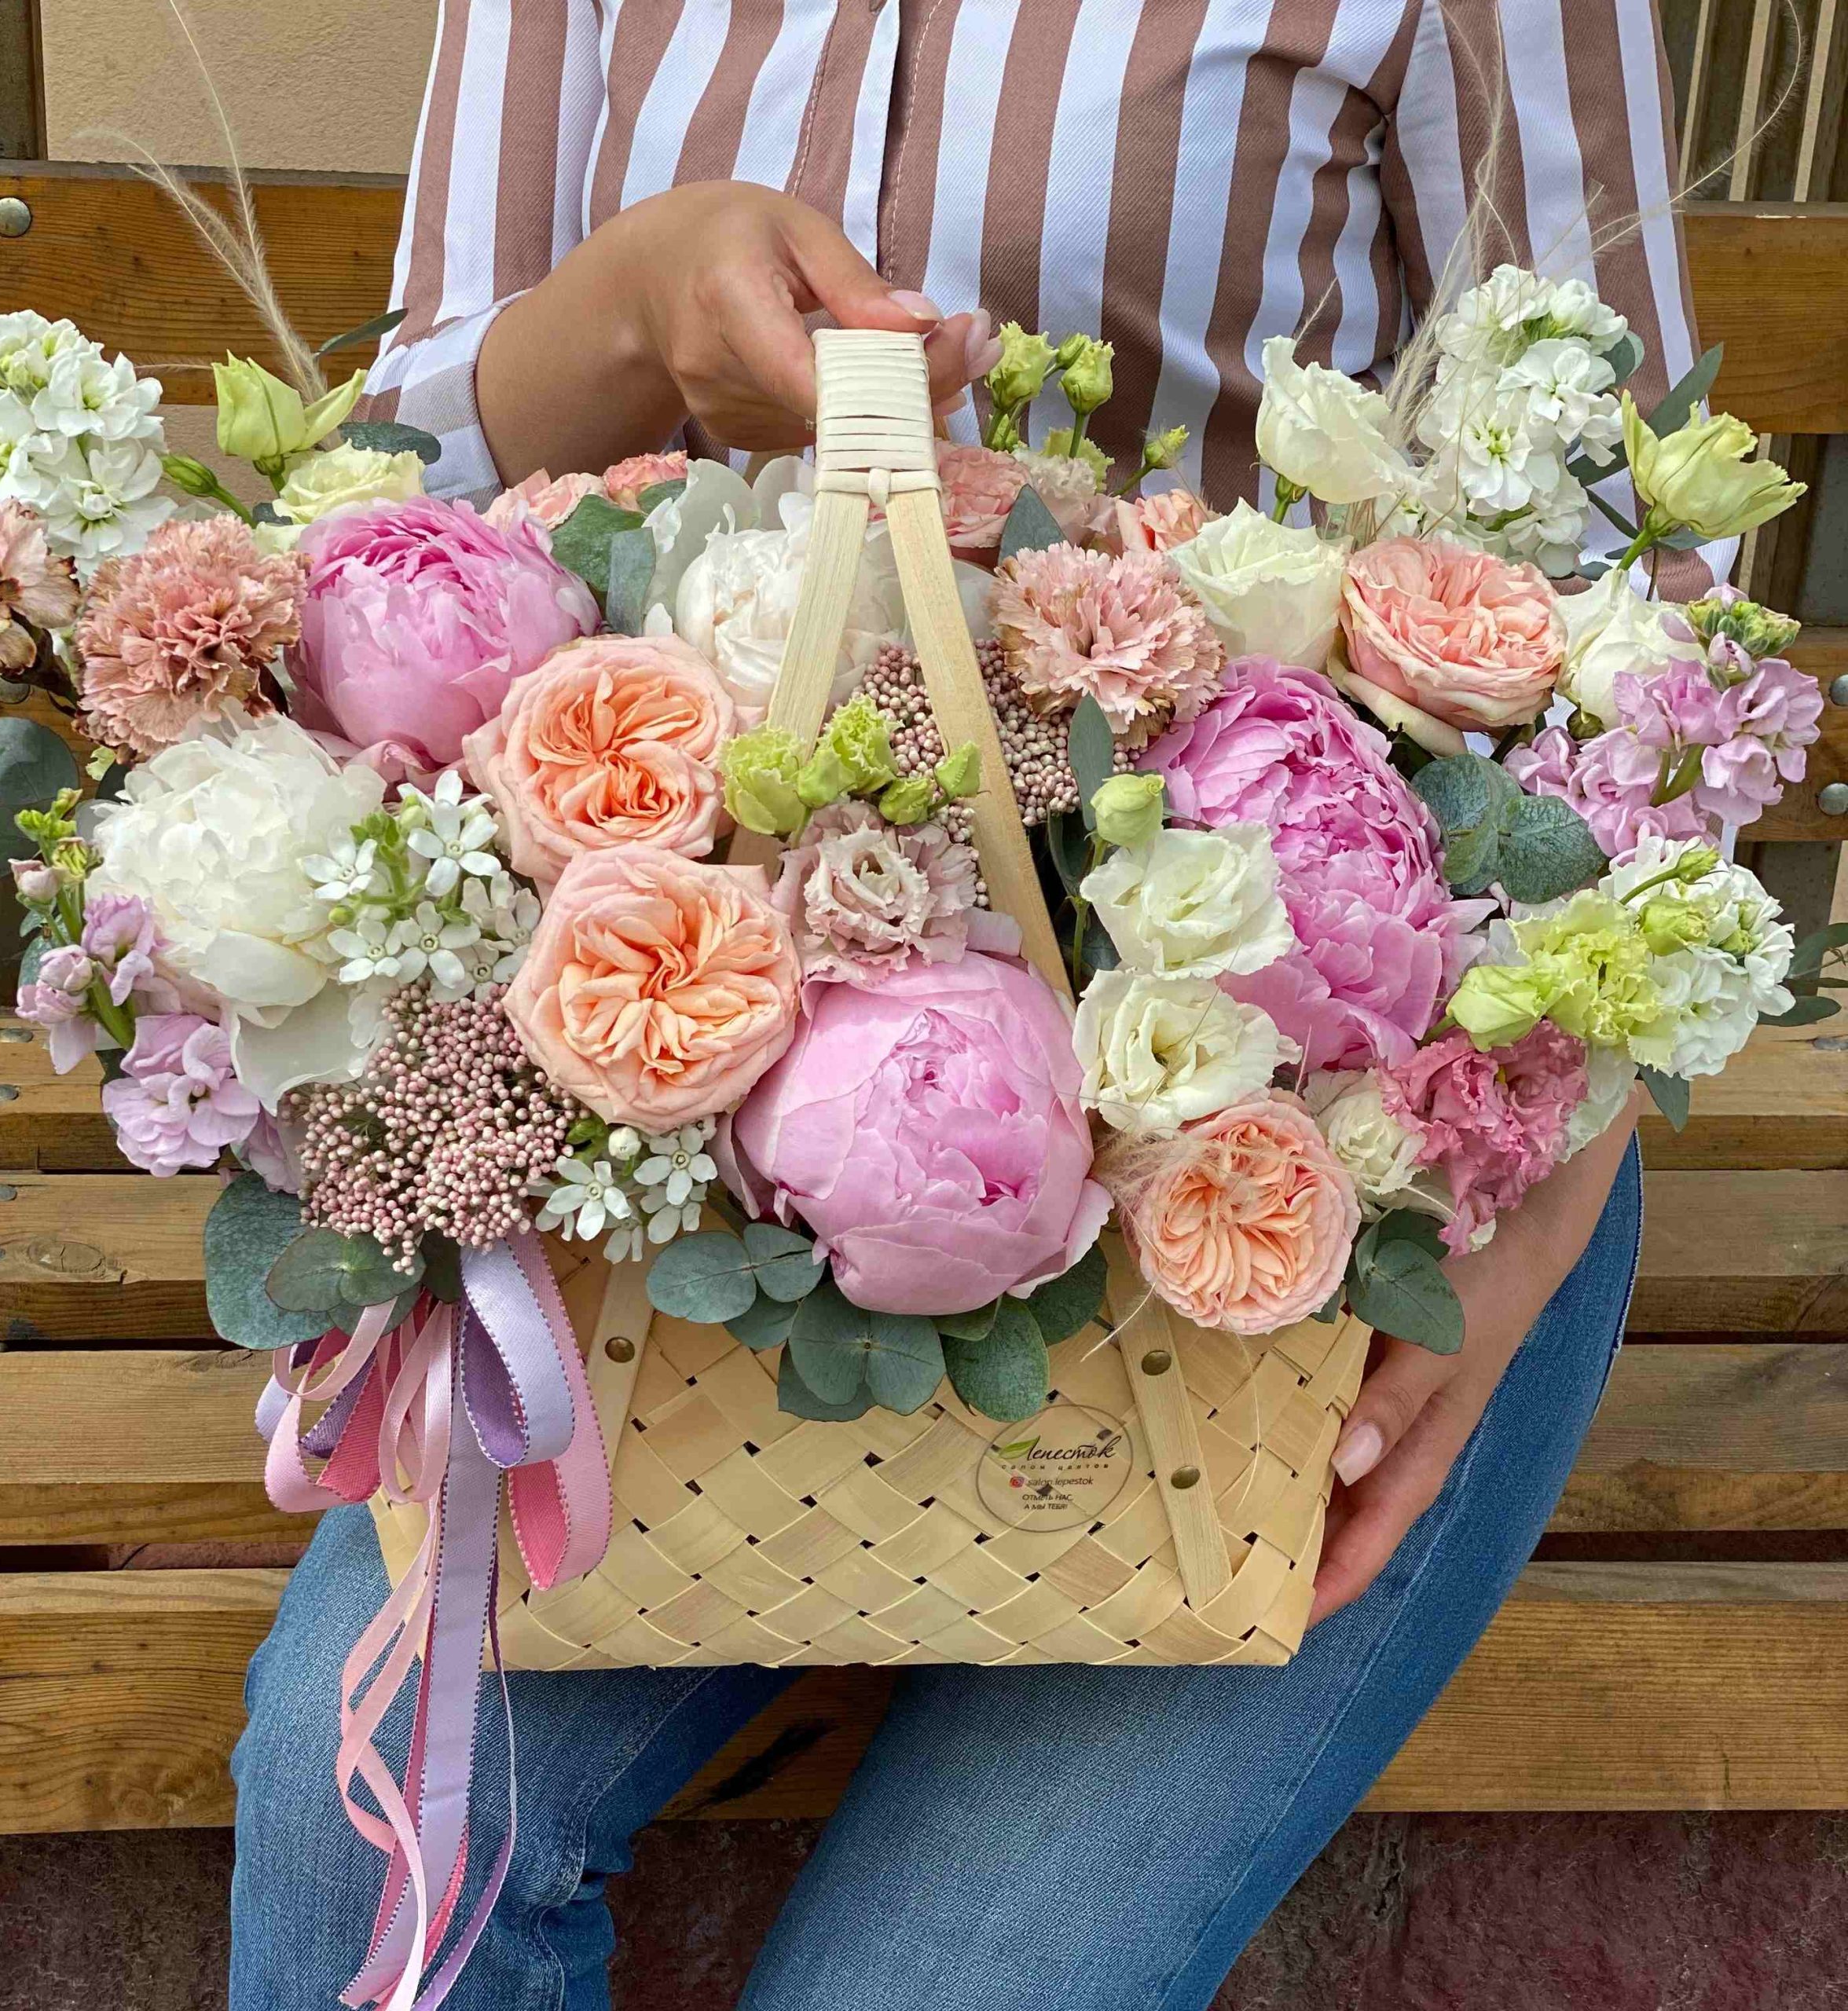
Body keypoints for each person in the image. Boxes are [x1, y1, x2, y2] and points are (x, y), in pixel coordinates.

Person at [233, 5, 1703, 2004]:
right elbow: (398, 473)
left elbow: (1635, 583)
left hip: (1276, 1178)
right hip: (673, 1138)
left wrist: (1526, 1204)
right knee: (362, 1849)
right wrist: (637, 306)